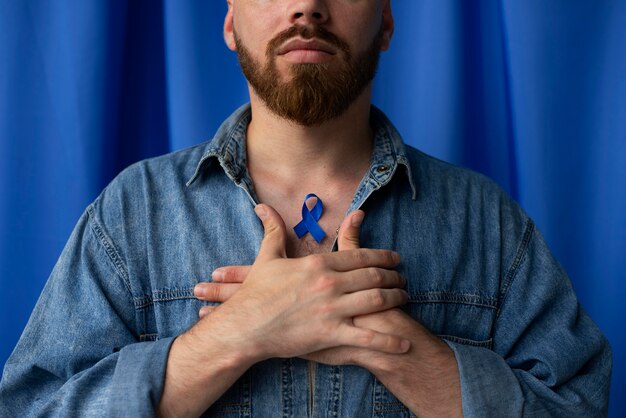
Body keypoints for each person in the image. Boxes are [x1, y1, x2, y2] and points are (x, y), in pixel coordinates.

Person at [0, 0, 611, 416]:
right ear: (231, 22)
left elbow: (580, 404)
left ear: (388, 22)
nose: (308, 6)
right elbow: (32, 407)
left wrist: (396, 346)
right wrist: (237, 335)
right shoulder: (132, 214)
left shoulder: (487, 222)